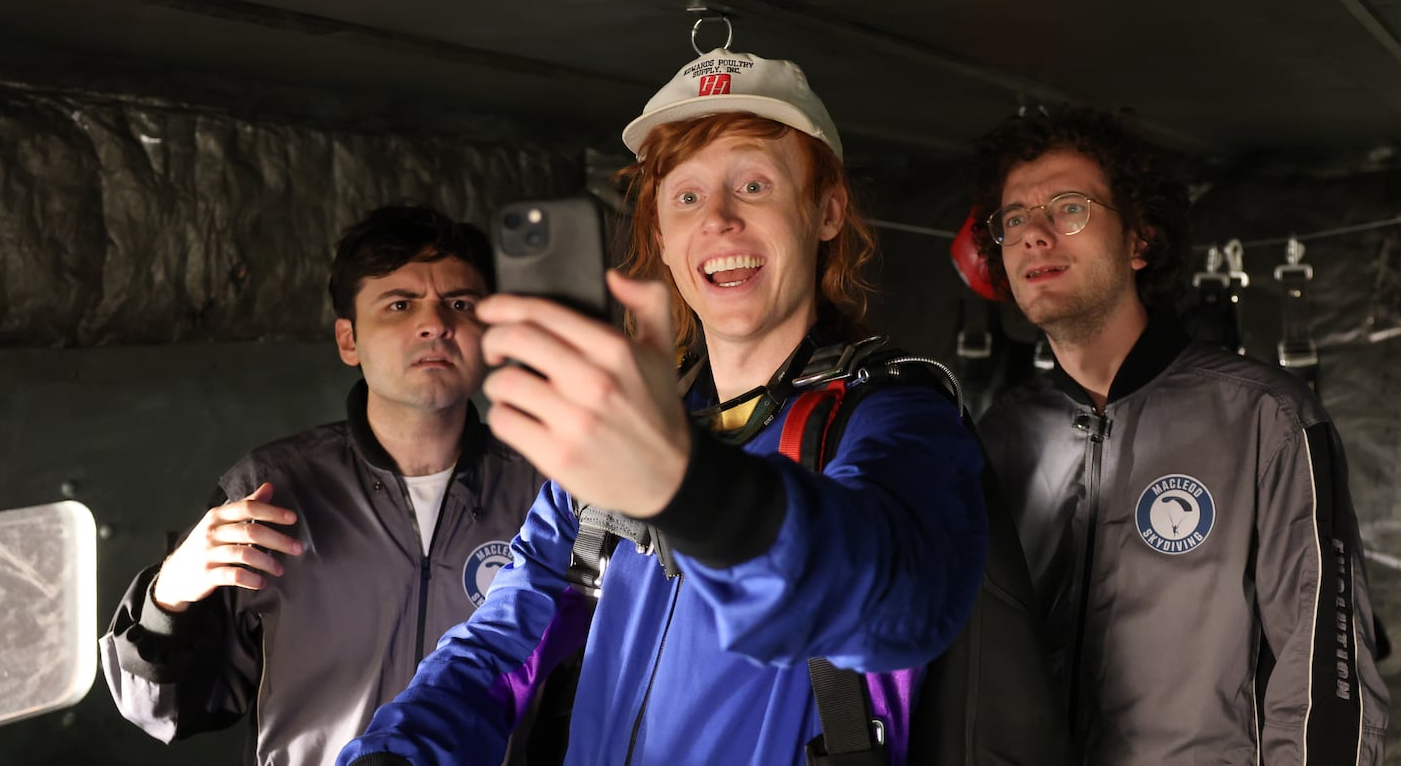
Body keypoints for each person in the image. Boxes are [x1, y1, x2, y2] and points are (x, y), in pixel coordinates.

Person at [336, 48, 988, 766]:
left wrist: (687, 489)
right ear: (664, 237)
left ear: (826, 212)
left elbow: (889, 598)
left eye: (755, 184)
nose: (719, 221)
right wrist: (393, 755)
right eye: (686, 197)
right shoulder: (625, 434)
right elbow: (501, 643)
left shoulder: (897, 422)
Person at [967, 104, 1390, 764]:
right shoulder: (997, 437)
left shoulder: (1264, 418)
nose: (1034, 236)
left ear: (1141, 240)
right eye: (1014, 219)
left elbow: (1325, 677)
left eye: (1068, 208)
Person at [100, 205, 550, 766]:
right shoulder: (269, 488)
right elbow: (169, 711)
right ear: (349, 340)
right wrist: (168, 598)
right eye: (400, 304)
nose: (435, 322)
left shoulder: (547, 490)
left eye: (460, 303)